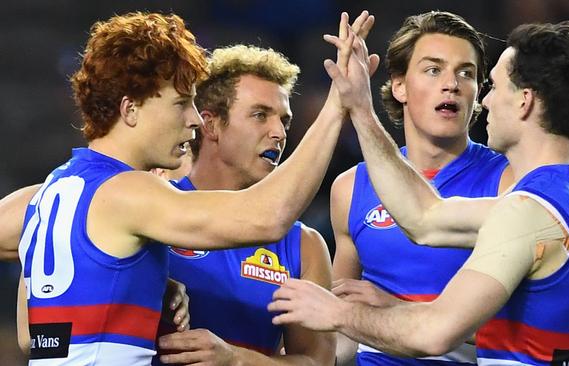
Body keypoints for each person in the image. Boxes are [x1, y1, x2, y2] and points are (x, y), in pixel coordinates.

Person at [0, 10, 361, 365]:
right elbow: (268, 217)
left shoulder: (51, 192)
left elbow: (31, 336)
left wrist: (139, 281)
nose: (193, 119)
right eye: (180, 103)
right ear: (130, 109)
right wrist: (336, 107)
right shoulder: (131, 193)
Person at [270, 20, 569, 366]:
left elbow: (434, 334)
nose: (487, 100)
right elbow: (426, 218)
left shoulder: (526, 211)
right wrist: (359, 107)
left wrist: (337, 313)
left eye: (491, 85)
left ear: (524, 101)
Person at [330, 11, 511, 365]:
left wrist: (397, 311)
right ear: (399, 86)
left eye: (466, 73)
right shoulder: (350, 188)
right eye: (433, 69)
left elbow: (525, 326)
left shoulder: (509, 182)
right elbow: (339, 329)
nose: (452, 84)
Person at [152, 44, 335, 365]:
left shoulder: (303, 245)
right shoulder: (151, 211)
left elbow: (317, 362)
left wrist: (237, 359)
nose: (278, 133)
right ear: (209, 125)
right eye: (260, 115)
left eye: (285, 121)